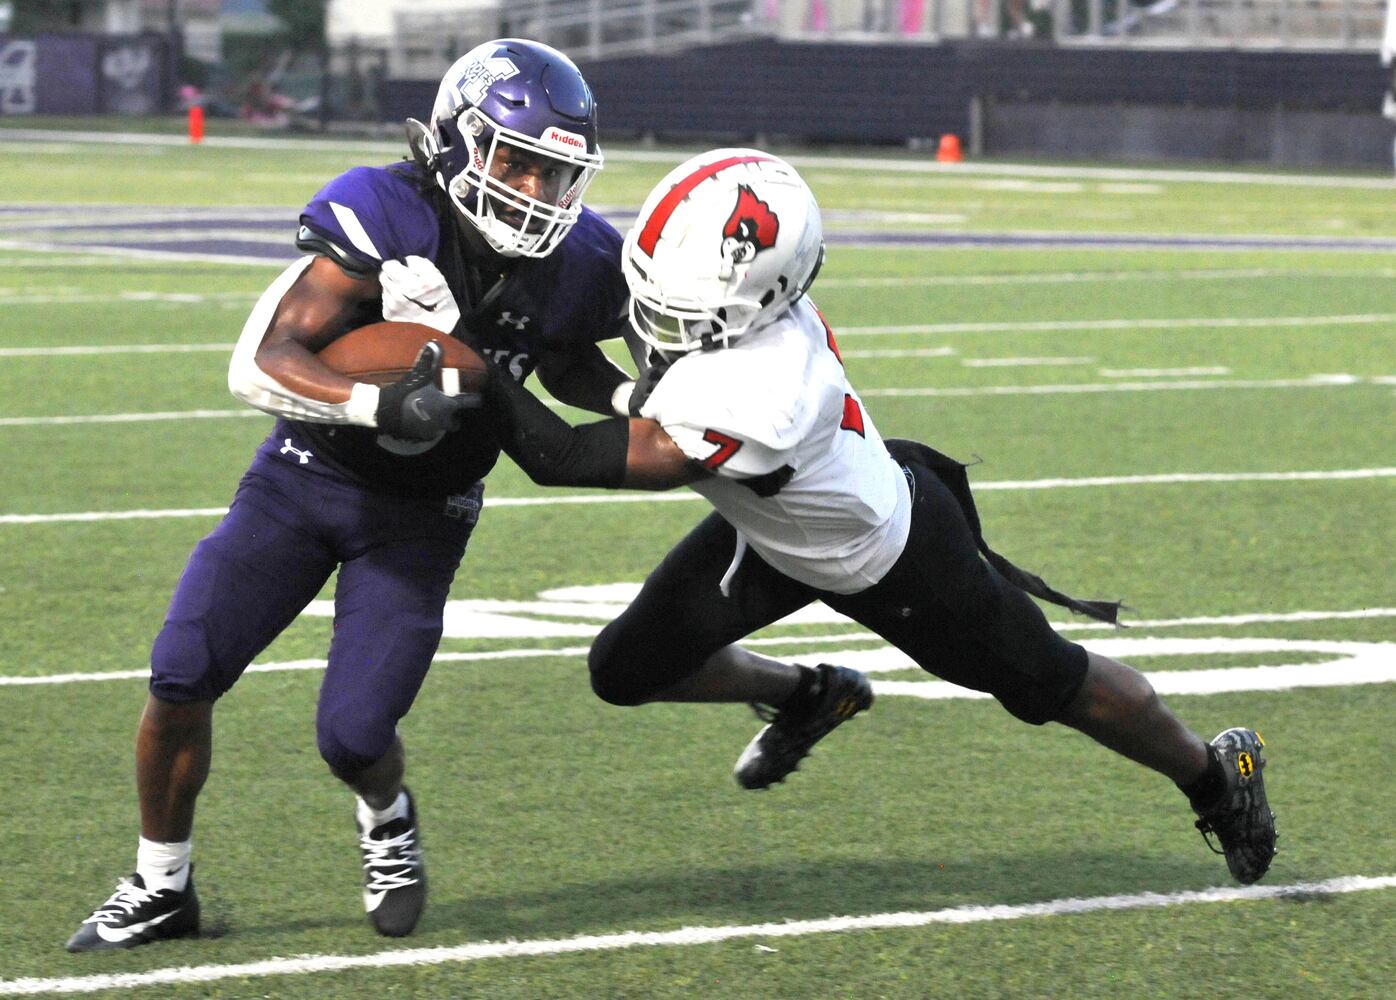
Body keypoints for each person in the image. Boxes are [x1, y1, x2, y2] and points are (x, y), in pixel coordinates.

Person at [476, 148, 1278, 887]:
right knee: (623, 669)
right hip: (773, 529)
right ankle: (808, 695)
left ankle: (1215, 776)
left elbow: (563, 458)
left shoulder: (762, 390)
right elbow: (607, 347)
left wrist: (461, 354)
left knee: (1053, 686)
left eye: (677, 309)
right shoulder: (733, 298)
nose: (652, 319)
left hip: (888, 557)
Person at [65, 39, 632, 952]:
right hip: (306, 477)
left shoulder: (584, 257)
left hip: (423, 517)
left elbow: (563, 352)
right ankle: (160, 884)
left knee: (354, 736)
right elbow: (260, 362)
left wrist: (625, 396)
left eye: (555, 173)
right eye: (516, 161)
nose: (533, 192)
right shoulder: (385, 210)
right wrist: (378, 397)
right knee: (181, 673)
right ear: (455, 142)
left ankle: (387, 816)